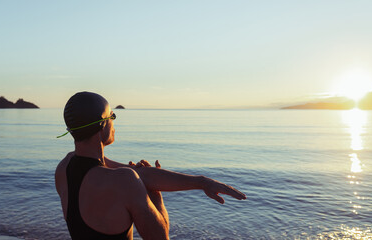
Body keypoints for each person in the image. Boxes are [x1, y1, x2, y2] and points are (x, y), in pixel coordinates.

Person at [55, 91, 246, 240]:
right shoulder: (124, 181)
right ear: (102, 125)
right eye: (112, 116)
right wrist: (155, 196)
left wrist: (202, 182)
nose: (114, 123)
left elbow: (141, 175)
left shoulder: (64, 168)